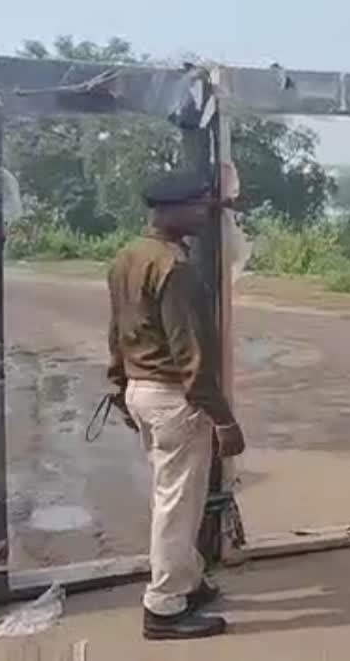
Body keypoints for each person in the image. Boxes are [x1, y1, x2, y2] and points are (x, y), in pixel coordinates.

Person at [107, 170, 246, 640]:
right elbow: (192, 354)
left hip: (142, 389)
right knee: (177, 505)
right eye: (197, 204)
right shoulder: (174, 267)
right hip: (172, 396)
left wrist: (117, 385)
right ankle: (164, 607)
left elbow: (116, 330)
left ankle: (186, 581)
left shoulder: (128, 257)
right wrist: (224, 419)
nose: (205, 212)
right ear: (168, 211)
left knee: (174, 497)